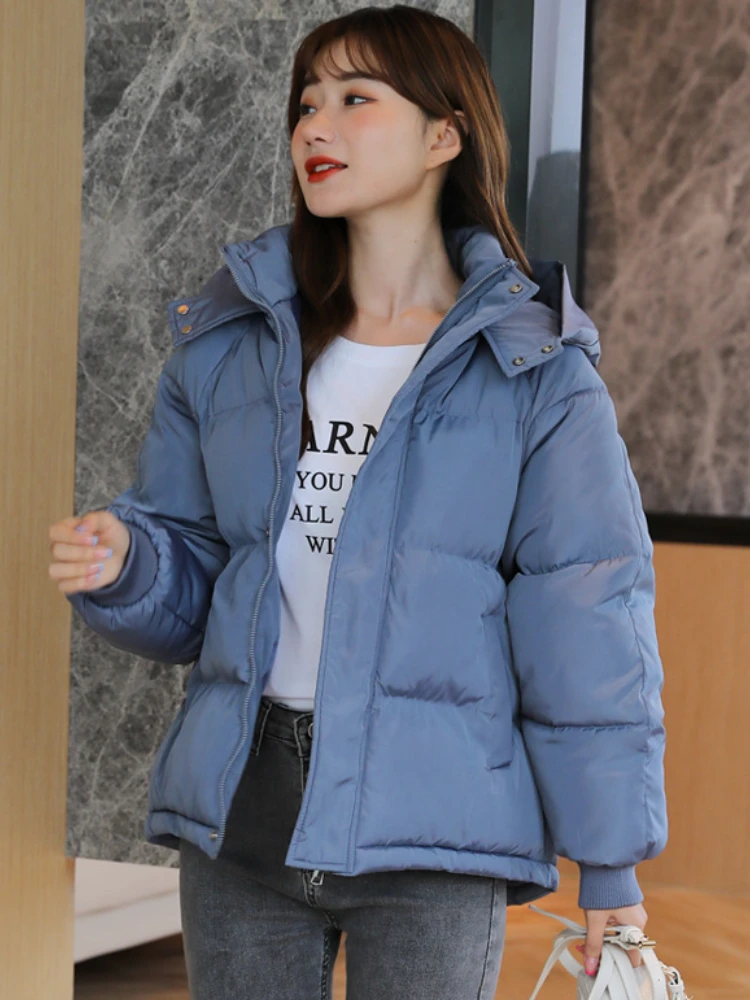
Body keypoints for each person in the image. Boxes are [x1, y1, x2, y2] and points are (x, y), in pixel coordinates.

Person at [48, 6, 667, 999]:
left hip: (436, 827)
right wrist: (129, 565)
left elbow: (588, 619)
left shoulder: (536, 370)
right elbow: (195, 579)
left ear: (443, 135)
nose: (315, 127)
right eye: (305, 104)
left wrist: (612, 866)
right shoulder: (229, 344)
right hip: (244, 815)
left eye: (354, 98)